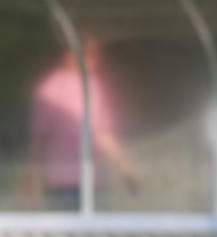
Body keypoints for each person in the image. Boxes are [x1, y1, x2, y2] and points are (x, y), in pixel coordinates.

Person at [25, 39, 137, 211]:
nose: (93, 60)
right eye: (87, 54)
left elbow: (102, 134)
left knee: (94, 233)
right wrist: (31, 177)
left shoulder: (94, 86)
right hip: (61, 182)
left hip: (92, 180)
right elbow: (40, 137)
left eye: (95, 55)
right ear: (68, 56)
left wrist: (125, 168)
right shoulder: (51, 88)